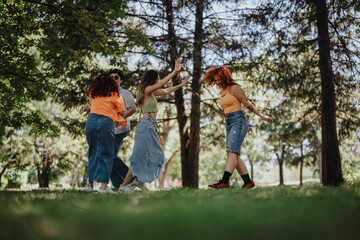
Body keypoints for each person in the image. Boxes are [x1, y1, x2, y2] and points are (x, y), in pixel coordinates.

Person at [119, 59, 187, 191]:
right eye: (157, 78)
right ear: (152, 79)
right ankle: (125, 185)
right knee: (142, 155)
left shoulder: (149, 91)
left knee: (147, 155)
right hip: (147, 125)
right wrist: (175, 71)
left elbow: (167, 90)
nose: (159, 80)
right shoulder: (147, 89)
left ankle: (137, 180)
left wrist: (181, 85)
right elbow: (163, 84)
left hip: (149, 125)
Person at [203, 66, 273, 189]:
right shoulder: (223, 91)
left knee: (232, 152)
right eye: (215, 80)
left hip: (238, 120)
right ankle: (248, 183)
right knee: (233, 153)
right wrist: (210, 72)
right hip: (229, 121)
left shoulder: (235, 88)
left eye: (220, 79)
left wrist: (261, 116)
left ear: (225, 77)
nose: (218, 82)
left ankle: (224, 181)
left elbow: (246, 103)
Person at [82, 72, 127, 194]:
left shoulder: (93, 93)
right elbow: (122, 111)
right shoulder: (116, 95)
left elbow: (94, 106)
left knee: (93, 152)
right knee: (106, 154)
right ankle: (103, 187)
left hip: (91, 121)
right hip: (106, 123)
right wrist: (116, 117)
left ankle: (90, 185)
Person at [108, 69, 137, 188]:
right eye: (111, 77)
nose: (113, 79)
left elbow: (133, 109)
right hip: (108, 129)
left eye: (116, 77)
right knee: (107, 157)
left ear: (121, 80)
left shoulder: (125, 93)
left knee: (110, 156)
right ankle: (118, 185)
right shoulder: (107, 94)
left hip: (120, 129)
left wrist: (120, 118)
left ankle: (133, 177)